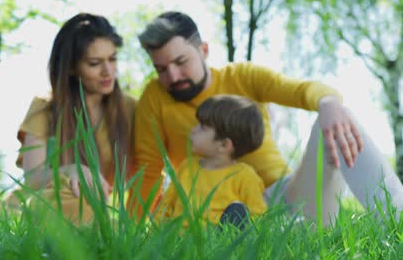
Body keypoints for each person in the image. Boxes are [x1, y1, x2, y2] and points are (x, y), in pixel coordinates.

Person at [129, 11, 403, 225]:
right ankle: (282, 232)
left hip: (285, 195)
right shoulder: (155, 98)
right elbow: (148, 170)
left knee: (334, 120)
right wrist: (131, 230)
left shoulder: (243, 76)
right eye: (161, 68)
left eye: (180, 62)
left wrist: (329, 101)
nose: (172, 77)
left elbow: (299, 89)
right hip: (216, 208)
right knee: (249, 226)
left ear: (203, 50)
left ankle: (398, 219)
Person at [0, 13, 136, 225]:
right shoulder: (45, 108)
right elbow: (33, 178)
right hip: (44, 204)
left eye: (113, 59)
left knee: (93, 211)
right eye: (94, 63)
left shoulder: (130, 109)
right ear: (71, 67)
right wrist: (68, 171)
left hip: (92, 209)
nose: (108, 71)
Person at [154, 95, 267, 228]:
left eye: (202, 127)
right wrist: (152, 236)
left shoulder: (245, 177)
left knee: (237, 214)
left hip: (218, 244)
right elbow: (165, 208)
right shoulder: (187, 167)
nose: (193, 129)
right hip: (179, 241)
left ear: (224, 145)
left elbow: (259, 218)